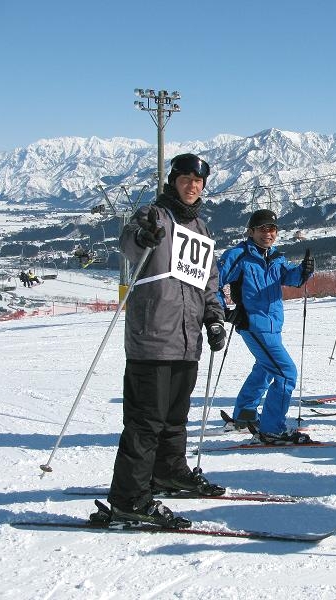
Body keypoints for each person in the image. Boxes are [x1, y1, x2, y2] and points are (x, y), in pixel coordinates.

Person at [106, 153, 227, 528]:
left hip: (188, 340)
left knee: (175, 417)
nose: (193, 186)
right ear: (173, 181)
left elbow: (208, 281)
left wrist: (213, 318)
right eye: (186, 179)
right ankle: (129, 498)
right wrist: (142, 238)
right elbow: (129, 242)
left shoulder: (202, 229)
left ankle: (169, 472)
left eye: (199, 181)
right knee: (146, 421)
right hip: (153, 336)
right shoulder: (154, 215)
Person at [217, 209, 315, 443]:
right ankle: (272, 429)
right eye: (262, 229)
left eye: (272, 229)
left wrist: (305, 270)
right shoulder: (239, 255)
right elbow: (212, 282)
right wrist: (223, 311)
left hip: (273, 325)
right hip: (253, 324)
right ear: (251, 231)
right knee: (286, 373)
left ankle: (245, 413)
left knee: (265, 368)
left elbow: (291, 277)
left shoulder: (275, 257)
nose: (267, 233)